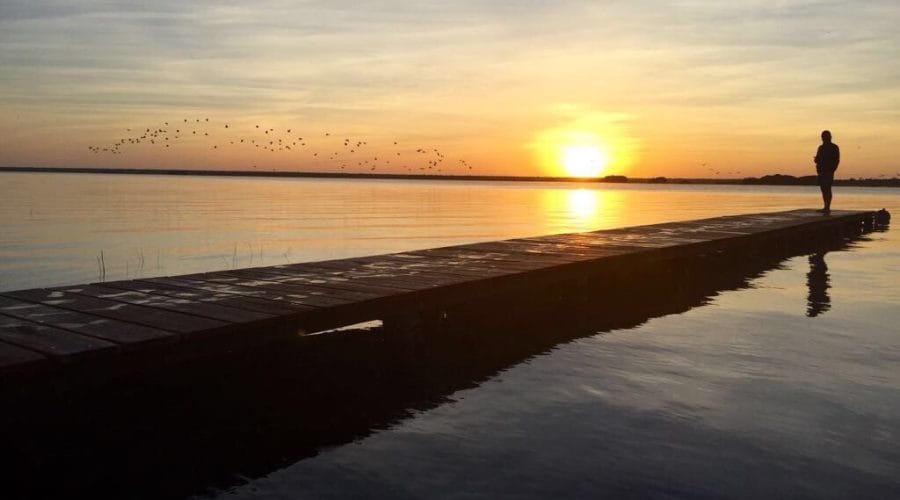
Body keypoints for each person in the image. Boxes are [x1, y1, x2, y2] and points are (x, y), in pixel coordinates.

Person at [814, 130, 840, 212]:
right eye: (823, 137)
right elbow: (818, 159)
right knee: (823, 189)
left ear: (829, 137)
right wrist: (816, 160)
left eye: (825, 137)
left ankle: (827, 207)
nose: (823, 139)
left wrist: (832, 169)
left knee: (827, 188)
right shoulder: (820, 148)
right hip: (821, 171)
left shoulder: (834, 147)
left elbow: (836, 160)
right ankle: (825, 206)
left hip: (828, 171)